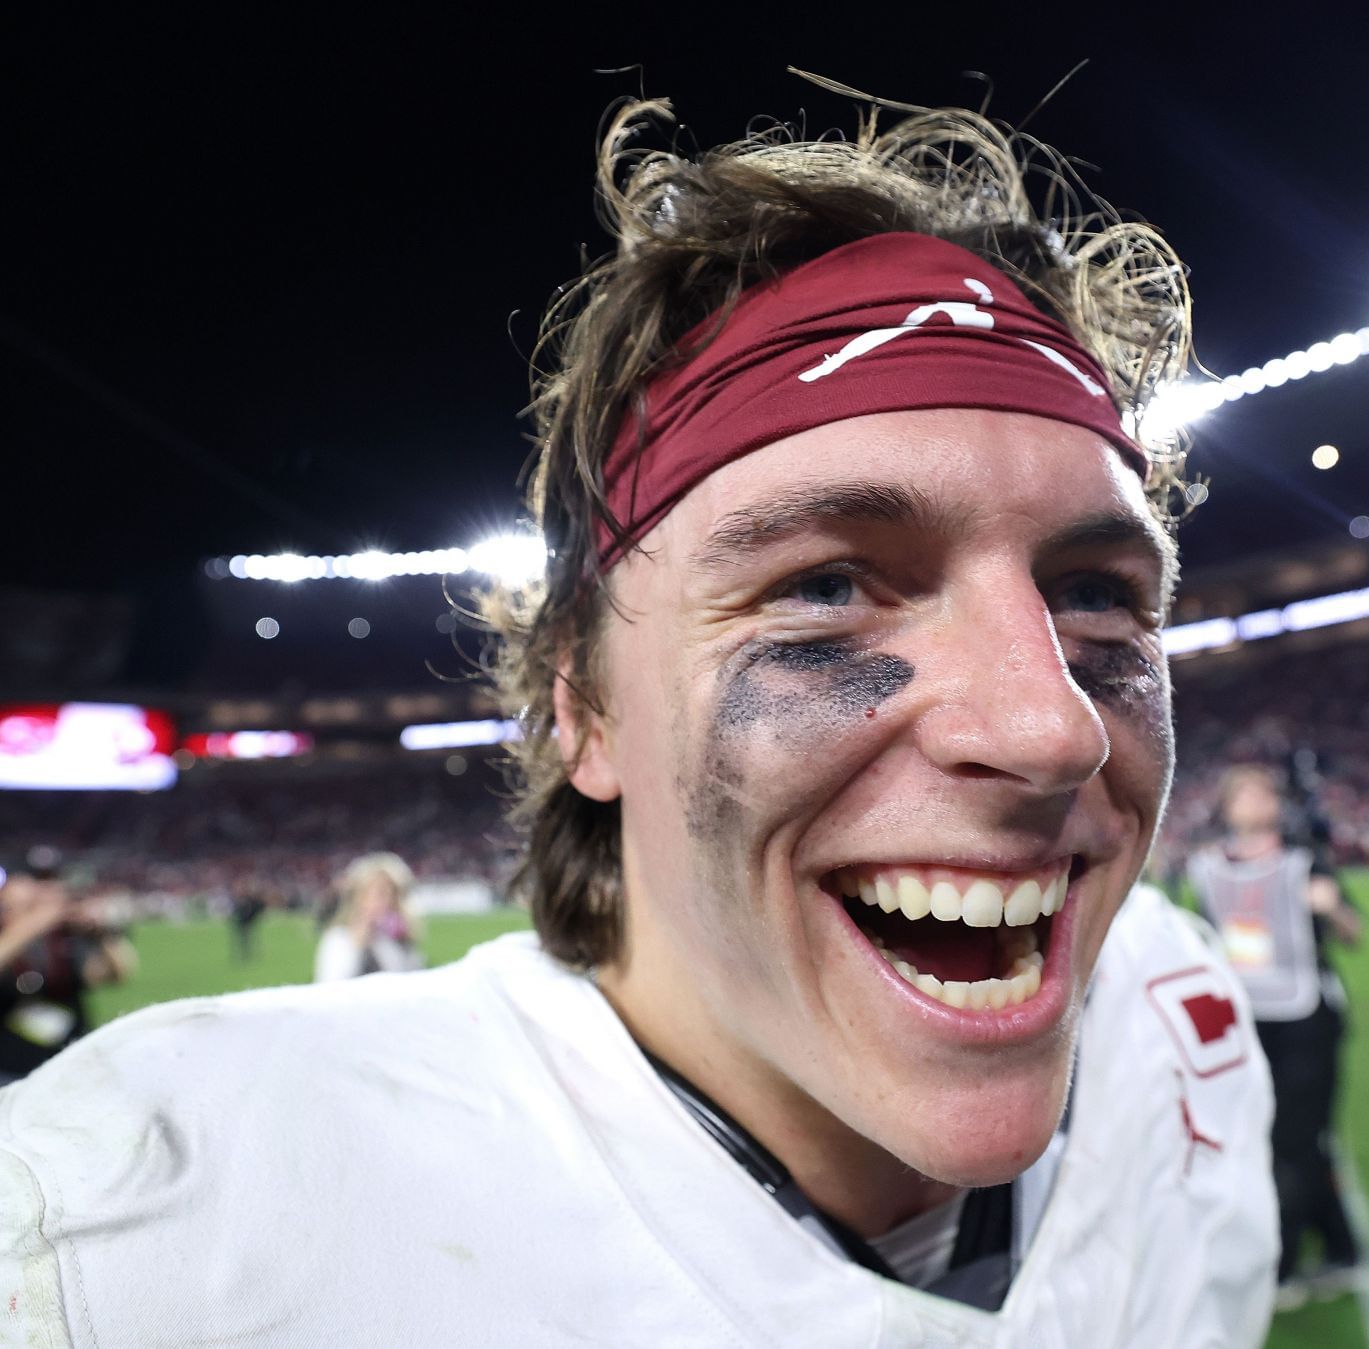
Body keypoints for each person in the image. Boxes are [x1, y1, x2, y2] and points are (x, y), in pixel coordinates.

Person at [0, 96, 1276, 1345]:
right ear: (586, 706)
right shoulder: (133, 1245)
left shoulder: (1179, 1017)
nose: (1052, 726)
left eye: (1096, 594)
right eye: (827, 587)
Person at [1187, 765, 1365, 1310]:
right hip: (1244, 1020)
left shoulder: (1304, 861)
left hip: (1304, 1020)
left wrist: (1332, 907)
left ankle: (1282, 1266)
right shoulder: (1207, 867)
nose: (1254, 800)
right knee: (1269, 1140)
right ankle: (1343, 1249)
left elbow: (1355, 933)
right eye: (1243, 792)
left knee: (1294, 1142)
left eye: (1263, 792)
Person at [0, 852, 137, 1087]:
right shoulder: (20, 930)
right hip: (10, 1069)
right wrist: (34, 922)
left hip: (69, 1062)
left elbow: (115, 975)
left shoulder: (62, 939)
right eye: (37, 881)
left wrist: (102, 934)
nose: (47, 891)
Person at [313, 851, 425, 982]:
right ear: (359, 896)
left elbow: (408, 982)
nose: (388, 901)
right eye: (380, 893)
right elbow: (330, 985)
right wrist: (356, 945)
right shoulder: (339, 938)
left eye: (394, 893)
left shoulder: (399, 939)